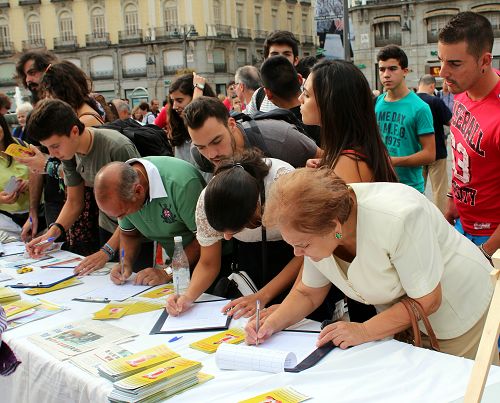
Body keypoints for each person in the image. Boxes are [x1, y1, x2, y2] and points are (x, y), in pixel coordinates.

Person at [245, 168, 495, 361]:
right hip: (405, 323)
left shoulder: (398, 217)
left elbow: (428, 300)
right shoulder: (315, 227)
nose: (297, 253)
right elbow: (308, 292)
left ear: (335, 227)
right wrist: (272, 324)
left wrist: (363, 331)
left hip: (458, 311)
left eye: (303, 245)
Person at [166, 149, 299, 318]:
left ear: (255, 210)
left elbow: (305, 256)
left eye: (235, 230)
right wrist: (187, 297)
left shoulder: (283, 187)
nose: (227, 238)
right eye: (222, 233)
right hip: (251, 257)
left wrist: (263, 296)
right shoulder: (209, 199)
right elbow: (208, 263)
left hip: (296, 257)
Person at [24, 99, 141, 275]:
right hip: (108, 227)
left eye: (55, 146)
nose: (53, 154)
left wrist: (106, 251)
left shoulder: (117, 147)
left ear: (74, 131)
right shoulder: (69, 153)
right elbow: (74, 201)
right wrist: (51, 234)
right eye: (48, 148)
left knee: (134, 281)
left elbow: (136, 208)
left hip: (135, 232)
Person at [438, 11, 500, 261]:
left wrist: (487, 251)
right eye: (440, 60)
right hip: (463, 225)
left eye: (454, 63)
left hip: (491, 239)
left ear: (485, 61)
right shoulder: (461, 92)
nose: (443, 72)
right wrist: (453, 199)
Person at [94, 156, 205, 285]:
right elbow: (129, 234)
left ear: (139, 191)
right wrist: (125, 263)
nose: (121, 219)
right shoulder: (124, 189)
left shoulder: (181, 185)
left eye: (123, 213)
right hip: (179, 262)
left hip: (213, 260)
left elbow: (204, 239)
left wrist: (167, 272)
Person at [183, 96, 321, 172]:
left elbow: (326, 159)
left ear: (231, 124)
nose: (211, 155)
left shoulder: (279, 138)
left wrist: (306, 173)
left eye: (217, 141)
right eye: (202, 147)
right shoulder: (198, 155)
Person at [13, 50, 62, 243]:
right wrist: (33, 212)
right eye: (25, 75)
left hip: (81, 202)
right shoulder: (36, 114)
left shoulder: (70, 108)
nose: (28, 80)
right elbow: (35, 166)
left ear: (48, 70)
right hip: (54, 201)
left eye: (33, 73)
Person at [375, 45, 435, 193]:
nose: (386, 75)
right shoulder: (377, 103)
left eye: (392, 69)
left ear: (405, 71)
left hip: (409, 188)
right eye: (382, 69)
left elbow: (429, 154)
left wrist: (394, 161)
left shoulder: (420, 107)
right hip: (379, 184)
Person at [260, 55, 320, 145]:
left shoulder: (276, 130)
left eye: (307, 94)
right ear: (300, 79)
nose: (300, 99)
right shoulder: (325, 115)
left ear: (268, 93)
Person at [416, 74, 452, 214]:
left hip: (417, 153)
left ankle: (418, 215)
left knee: (418, 188)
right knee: (439, 190)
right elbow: (451, 122)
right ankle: (440, 221)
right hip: (437, 152)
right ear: (432, 86)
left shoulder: (410, 101)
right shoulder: (436, 101)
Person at [167, 73, 216, 172]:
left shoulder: (213, 127)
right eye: (173, 101)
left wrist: (198, 90)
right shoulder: (178, 130)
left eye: (179, 100)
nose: (174, 106)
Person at [245, 31, 300, 114]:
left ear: (296, 60)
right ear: (265, 60)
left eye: (286, 54)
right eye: (274, 54)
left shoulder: (310, 91)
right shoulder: (259, 95)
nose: (280, 59)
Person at [0, 115, 29, 231]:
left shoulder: (20, 145)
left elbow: (41, 170)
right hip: (6, 223)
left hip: (38, 214)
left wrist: (31, 182)